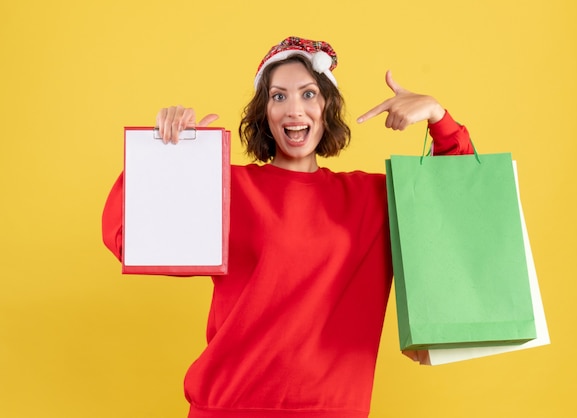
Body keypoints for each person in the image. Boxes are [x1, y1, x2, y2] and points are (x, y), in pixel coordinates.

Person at [102, 36, 473, 418]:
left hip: (332, 409)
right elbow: (125, 236)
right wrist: (165, 157)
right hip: (228, 407)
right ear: (264, 113)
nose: (294, 110)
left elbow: (462, 207)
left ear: (327, 106)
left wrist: (438, 117)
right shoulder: (229, 187)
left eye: (308, 94)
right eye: (279, 97)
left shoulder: (372, 198)